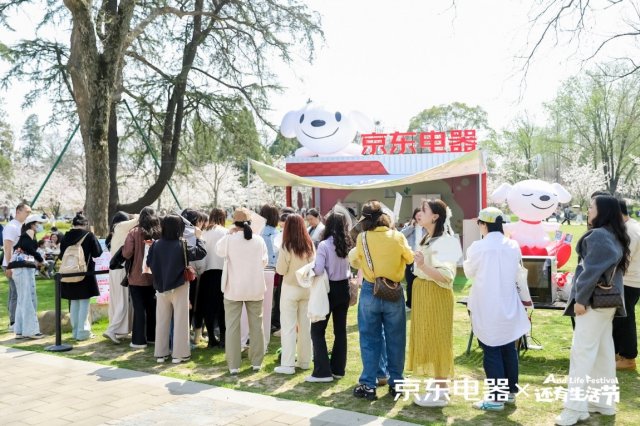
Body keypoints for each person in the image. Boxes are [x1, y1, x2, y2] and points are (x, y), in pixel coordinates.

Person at [555, 195, 630, 426]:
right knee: (603, 352)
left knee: (582, 354)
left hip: (593, 303)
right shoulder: (615, 234)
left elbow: (590, 272)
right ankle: (602, 403)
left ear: (603, 212)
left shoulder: (599, 235)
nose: (588, 211)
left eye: (592, 208)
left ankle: (574, 409)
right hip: (607, 303)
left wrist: (581, 299)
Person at [463, 207, 530, 411]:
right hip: (509, 303)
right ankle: (509, 391)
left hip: (486, 304)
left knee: (491, 348)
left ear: (483, 224)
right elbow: (519, 274)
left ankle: (495, 398)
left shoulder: (478, 247)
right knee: (509, 347)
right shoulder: (512, 245)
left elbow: (469, 272)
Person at [348, 200, 414, 400]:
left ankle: (368, 384)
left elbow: (354, 260)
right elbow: (410, 258)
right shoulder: (398, 236)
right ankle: (397, 383)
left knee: (369, 338)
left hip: (370, 289)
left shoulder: (363, 238)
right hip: (393, 291)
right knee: (396, 339)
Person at [408, 199, 460, 407]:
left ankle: (441, 392)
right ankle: (438, 383)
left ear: (436, 216)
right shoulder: (429, 237)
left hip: (436, 295)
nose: (419, 213)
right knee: (429, 337)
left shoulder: (445, 241)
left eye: (424, 210)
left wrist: (422, 265)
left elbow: (447, 276)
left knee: (437, 339)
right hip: (426, 294)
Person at [147, 214, 207, 364]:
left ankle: (160, 354)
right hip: (180, 285)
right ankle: (179, 354)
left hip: (161, 287)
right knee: (181, 320)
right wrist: (199, 237)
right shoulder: (182, 244)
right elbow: (201, 253)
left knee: (161, 320)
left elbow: (149, 262)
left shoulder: (156, 245)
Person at [216, 208, 268, 374]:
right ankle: (257, 362)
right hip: (254, 287)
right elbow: (264, 262)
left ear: (234, 223)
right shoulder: (259, 240)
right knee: (256, 325)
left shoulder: (230, 239)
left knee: (232, 327)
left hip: (234, 288)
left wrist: (228, 234)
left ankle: (233, 365)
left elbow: (219, 251)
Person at [306, 211, 353, 382]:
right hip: (344, 288)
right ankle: (338, 369)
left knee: (317, 330)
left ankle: (322, 372)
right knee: (340, 331)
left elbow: (318, 270)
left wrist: (307, 271)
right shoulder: (348, 243)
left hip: (328, 290)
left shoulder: (324, 245)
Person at [275, 214, 315, 375]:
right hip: (307, 288)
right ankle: (305, 361)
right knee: (306, 327)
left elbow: (280, 270)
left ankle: (288, 364)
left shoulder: (286, 246)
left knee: (288, 327)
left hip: (290, 288)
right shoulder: (309, 244)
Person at [122, 207, 162, 349]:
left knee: (139, 308)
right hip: (155, 277)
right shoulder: (159, 232)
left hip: (136, 276)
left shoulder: (133, 232)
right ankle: (152, 337)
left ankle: (139, 340)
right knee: (153, 307)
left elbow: (127, 253)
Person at [59, 213, 103, 341]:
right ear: (85, 224)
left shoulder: (66, 236)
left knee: (74, 302)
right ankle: (82, 332)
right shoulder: (89, 236)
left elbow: (61, 255)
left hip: (69, 272)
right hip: (84, 273)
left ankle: (75, 331)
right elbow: (97, 253)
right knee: (84, 302)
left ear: (73, 224)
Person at [8, 214, 46, 339]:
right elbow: (28, 247)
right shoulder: (29, 232)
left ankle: (20, 330)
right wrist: (41, 259)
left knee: (22, 299)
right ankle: (31, 330)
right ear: (32, 224)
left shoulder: (27, 233)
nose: (40, 226)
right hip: (23, 268)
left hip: (19, 268)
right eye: (38, 223)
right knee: (28, 298)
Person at [613, 199, 640, 370]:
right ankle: (620, 353)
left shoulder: (630, 230)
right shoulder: (631, 225)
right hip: (630, 279)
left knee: (625, 318)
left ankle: (628, 357)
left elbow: (624, 260)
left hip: (629, 280)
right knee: (621, 317)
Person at [103, 211, 136, 344]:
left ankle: (118, 329)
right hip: (121, 269)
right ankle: (112, 330)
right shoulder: (121, 226)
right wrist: (134, 216)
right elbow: (141, 218)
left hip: (114, 270)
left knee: (116, 301)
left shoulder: (114, 231)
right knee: (122, 301)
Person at [198, 208, 228, 348]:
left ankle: (211, 338)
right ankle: (223, 337)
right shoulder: (225, 232)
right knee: (223, 307)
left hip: (206, 273)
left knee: (208, 307)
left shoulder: (204, 233)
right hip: (222, 273)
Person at [3, 202, 32, 330]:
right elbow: (7, 247)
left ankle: (15, 320)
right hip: (11, 263)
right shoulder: (11, 227)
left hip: (19, 263)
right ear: (18, 211)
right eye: (27, 211)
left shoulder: (22, 226)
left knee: (16, 293)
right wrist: (10, 266)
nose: (28, 214)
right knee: (16, 293)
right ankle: (14, 322)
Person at [400, 208, 423, 309]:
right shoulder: (408, 225)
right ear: (414, 216)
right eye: (417, 215)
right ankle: (409, 304)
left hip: (423, 258)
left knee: (422, 281)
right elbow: (401, 236)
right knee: (410, 282)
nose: (419, 217)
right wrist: (411, 226)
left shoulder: (427, 226)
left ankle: (421, 303)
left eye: (421, 215)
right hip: (411, 258)